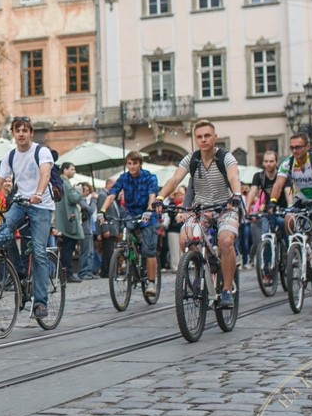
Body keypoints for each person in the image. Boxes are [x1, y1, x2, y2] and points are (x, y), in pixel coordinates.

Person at [156, 120, 241, 307]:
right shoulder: (191, 159)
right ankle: (206, 264)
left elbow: (234, 176)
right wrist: (160, 197)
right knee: (184, 238)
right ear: (195, 139)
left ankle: (226, 290)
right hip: (201, 209)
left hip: (225, 207)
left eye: (207, 136)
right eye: (199, 137)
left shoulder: (226, 158)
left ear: (215, 137)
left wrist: (236, 194)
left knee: (226, 242)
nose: (203, 140)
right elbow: (175, 179)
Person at [0, 116, 55, 319]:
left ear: (31, 133)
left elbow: (45, 174)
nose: (21, 134)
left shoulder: (41, 151)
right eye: (17, 130)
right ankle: (20, 273)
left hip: (41, 205)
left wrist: (39, 193)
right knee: (3, 234)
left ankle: (40, 303)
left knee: (39, 252)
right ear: (13, 134)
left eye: (25, 130)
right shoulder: (10, 156)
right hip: (21, 202)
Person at [269, 132, 312, 293]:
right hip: (301, 200)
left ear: (307, 147)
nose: (295, 150)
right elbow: (278, 185)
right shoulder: (288, 163)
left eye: (298, 147)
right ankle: (295, 251)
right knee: (288, 220)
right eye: (292, 147)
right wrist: (272, 202)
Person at [98, 150, 160, 299]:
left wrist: (150, 209)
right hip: (131, 213)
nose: (132, 167)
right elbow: (112, 194)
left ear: (140, 164)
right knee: (125, 233)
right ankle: (127, 257)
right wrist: (102, 211)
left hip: (147, 213)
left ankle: (151, 283)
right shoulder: (124, 178)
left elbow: (152, 194)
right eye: (129, 163)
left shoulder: (149, 177)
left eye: (135, 163)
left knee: (148, 249)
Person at [55, 162, 85, 282]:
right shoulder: (65, 183)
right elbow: (74, 198)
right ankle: (68, 273)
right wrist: (78, 191)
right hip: (68, 220)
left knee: (67, 249)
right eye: (72, 169)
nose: (74, 171)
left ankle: (66, 273)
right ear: (65, 170)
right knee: (68, 249)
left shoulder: (62, 182)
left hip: (65, 219)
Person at [78, 182, 98, 279]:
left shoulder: (85, 200)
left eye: (88, 191)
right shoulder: (80, 200)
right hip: (84, 229)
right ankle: (83, 272)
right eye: (85, 190)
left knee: (90, 252)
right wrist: (93, 200)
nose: (87, 193)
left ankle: (89, 272)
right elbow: (90, 210)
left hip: (89, 228)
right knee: (85, 252)